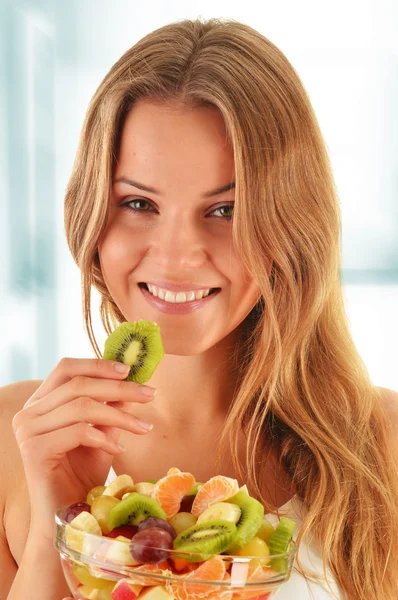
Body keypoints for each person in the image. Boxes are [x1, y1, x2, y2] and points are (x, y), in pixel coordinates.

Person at [1, 16, 397, 600]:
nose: (177, 257)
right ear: (92, 214)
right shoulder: (17, 438)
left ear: (290, 224)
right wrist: (56, 530)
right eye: (138, 202)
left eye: (226, 211)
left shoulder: (380, 447)